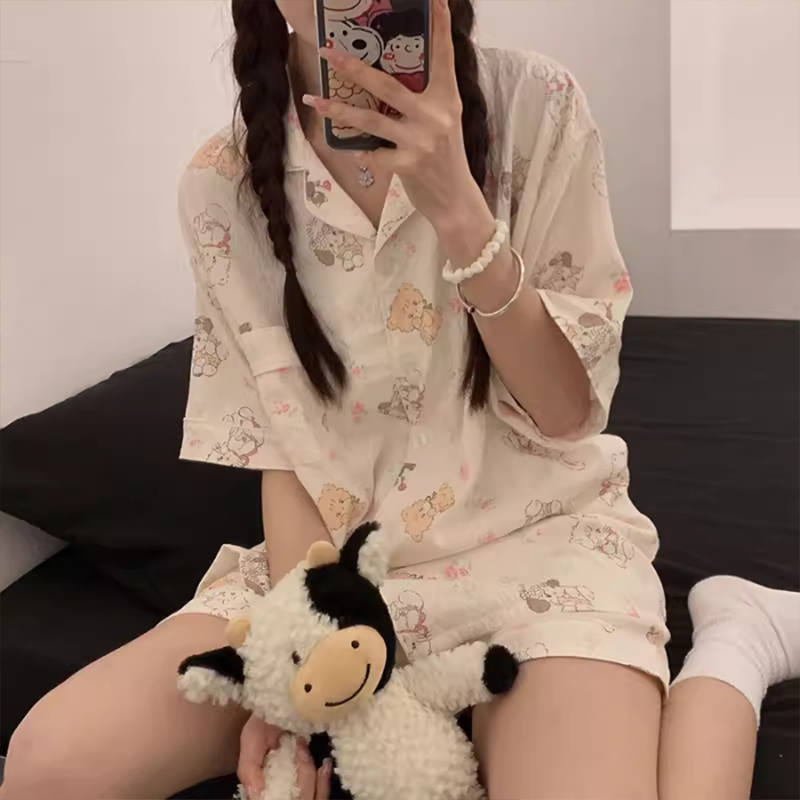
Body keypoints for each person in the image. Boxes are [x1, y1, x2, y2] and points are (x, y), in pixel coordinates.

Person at [2, 0, 798, 798]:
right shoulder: (224, 184)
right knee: (50, 765)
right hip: (336, 568)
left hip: (537, 551)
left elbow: (566, 412)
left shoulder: (537, 106)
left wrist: (458, 207)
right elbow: (286, 450)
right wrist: (301, 649)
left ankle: (738, 641)